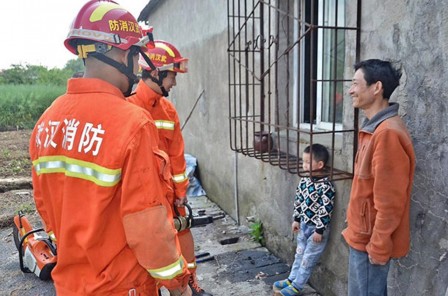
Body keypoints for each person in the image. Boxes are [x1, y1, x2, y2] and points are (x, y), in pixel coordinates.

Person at [29, 1, 191, 295]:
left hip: (70, 285)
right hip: (122, 285)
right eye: (135, 55)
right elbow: (148, 225)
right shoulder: (131, 122)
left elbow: (46, 207)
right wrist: (179, 283)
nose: (137, 66)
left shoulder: (46, 121)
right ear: (120, 52)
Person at [128, 40, 212, 296]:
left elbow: (177, 156)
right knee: (149, 251)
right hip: (143, 200)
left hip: (169, 195)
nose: (174, 83)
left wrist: (181, 192)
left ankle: (191, 284)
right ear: (155, 73)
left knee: (183, 237)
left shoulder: (168, 110)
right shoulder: (128, 109)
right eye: (171, 76)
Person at [342, 59, 416, 296]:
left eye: (356, 83)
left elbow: (390, 201)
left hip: (369, 243)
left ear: (376, 88)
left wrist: (379, 244)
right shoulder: (375, 127)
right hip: (362, 236)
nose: (351, 90)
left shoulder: (387, 134)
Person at [273, 144, 336, 296]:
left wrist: (320, 230)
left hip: (316, 231)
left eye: (308, 162)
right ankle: (291, 279)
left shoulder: (326, 186)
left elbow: (325, 209)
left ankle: (297, 286)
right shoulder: (305, 181)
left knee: (308, 259)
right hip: (303, 226)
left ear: (320, 165)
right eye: (303, 161)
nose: (304, 165)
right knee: (299, 254)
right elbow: (299, 200)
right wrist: (296, 219)